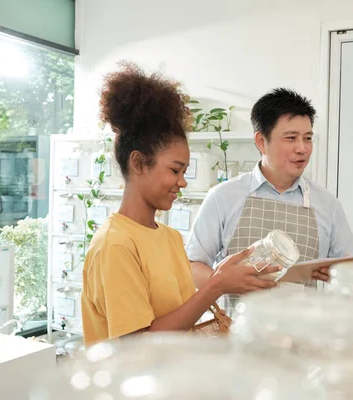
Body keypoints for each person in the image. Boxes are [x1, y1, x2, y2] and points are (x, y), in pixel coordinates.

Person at [80, 62, 280, 346]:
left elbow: (183, 321)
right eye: (175, 170)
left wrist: (222, 279)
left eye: (185, 171)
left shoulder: (170, 237)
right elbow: (136, 346)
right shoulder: (115, 244)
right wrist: (216, 285)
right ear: (138, 163)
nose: (182, 182)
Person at [186, 88, 353, 317]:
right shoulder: (223, 197)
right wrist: (224, 282)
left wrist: (339, 275)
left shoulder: (327, 204)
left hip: (303, 338)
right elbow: (191, 267)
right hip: (236, 337)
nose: (303, 148)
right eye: (291, 138)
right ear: (261, 141)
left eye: (308, 138)